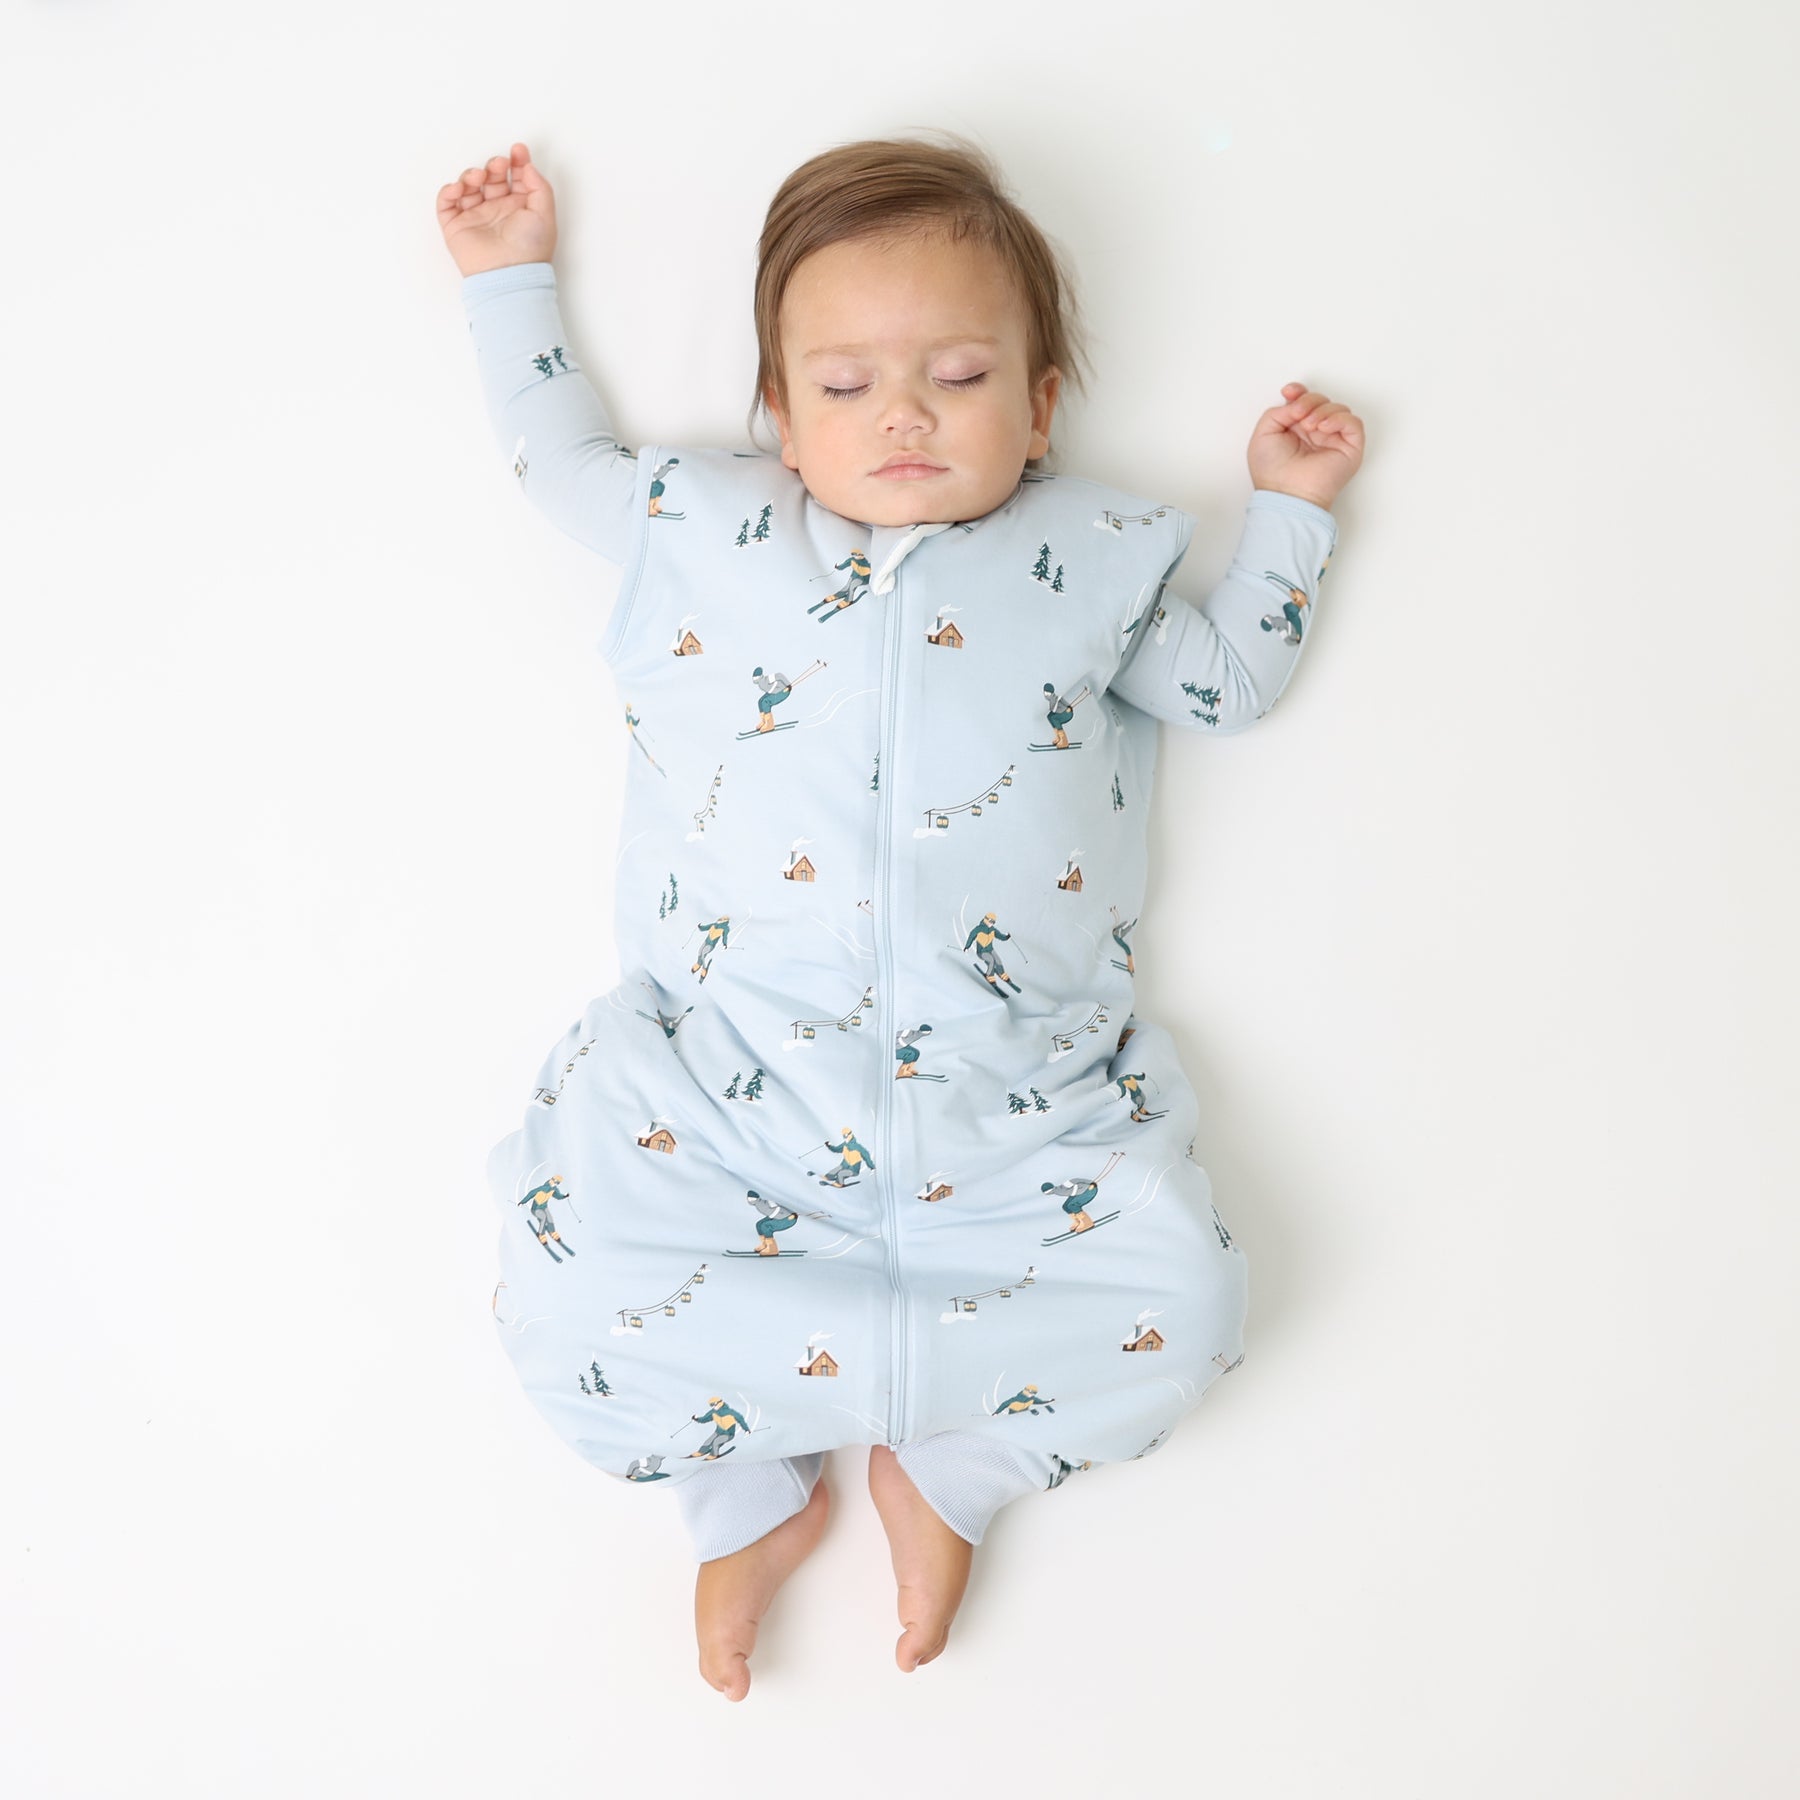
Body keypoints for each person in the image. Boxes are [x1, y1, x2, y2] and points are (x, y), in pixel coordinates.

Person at [440, 133, 1365, 1702]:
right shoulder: (705, 538)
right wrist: (507, 279)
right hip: (728, 1104)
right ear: (781, 419)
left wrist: (1287, 512)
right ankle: (739, 1495)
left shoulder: (1087, 561)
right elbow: (558, 461)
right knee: (566, 1287)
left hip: (1017, 1112)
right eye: (849, 386)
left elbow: (1228, 684)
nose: (909, 415)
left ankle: (956, 1473)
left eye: (957, 372)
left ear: (1042, 404)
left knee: (1188, 1302)